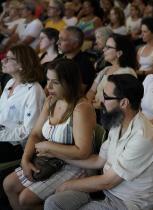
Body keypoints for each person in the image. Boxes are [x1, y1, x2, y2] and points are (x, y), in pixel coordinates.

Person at [44, 74, 153, 210]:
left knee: (61, 195)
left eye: (107, 97)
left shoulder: (143, 137)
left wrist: (68, 184)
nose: (101, 100)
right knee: (53, 203)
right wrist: (56, 153)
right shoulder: (118, 122)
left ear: (124, 103)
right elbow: (98, 161)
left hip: (127, 203)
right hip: (107, 192)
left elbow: (108, 181)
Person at [3, 58, 96, 210]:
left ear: (69, 83)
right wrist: (25, 160)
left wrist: (49, 146)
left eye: (56, 82)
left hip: (73, 165)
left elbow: (83, 151)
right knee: (8, 184)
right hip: (48, 160)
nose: (49, 86)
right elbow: (35, 134)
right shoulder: (51, 100)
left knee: (25, 199)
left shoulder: (81, 108)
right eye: (47, 80)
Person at [0, 44, 45, 162]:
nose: (3, 60)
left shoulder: (34, 90)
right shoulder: (10, 82)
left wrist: (1, 135)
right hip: (3, 137)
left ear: (21, 65)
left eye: (8, 58)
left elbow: (29, 130)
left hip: (18, 146)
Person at [86, 33, 137, 109]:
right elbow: (91, 91)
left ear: (119, 53)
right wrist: (88, 105)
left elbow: (120, 102)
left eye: (108, 47)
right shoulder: (106, 69)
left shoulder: (127, 72)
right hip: (95, 110)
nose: (104, 49)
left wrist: (96, 106)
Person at [58, 26, 96, 92]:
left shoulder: (84, 65)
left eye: (62, 40)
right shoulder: (59, 58)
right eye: (59, 39)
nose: (58, 42)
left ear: (75, 44)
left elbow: (77, 93)